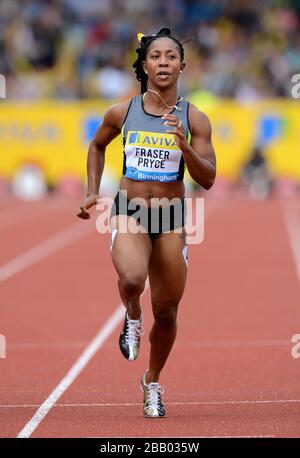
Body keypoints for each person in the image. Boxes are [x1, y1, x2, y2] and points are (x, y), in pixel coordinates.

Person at [77, 28, 216, 418]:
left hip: (172, 217)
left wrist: (184, 144)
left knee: (169, 311)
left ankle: (151, 381)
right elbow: (96, 145)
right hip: (130, 211)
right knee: (132, 281)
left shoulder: (194, 117)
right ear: (144, 64)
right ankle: (132, 315)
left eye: (171, 57)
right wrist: (92, 190)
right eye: (155, 56)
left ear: (182, 66)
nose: (163, 63)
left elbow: (208, 177)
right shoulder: (122, 112)